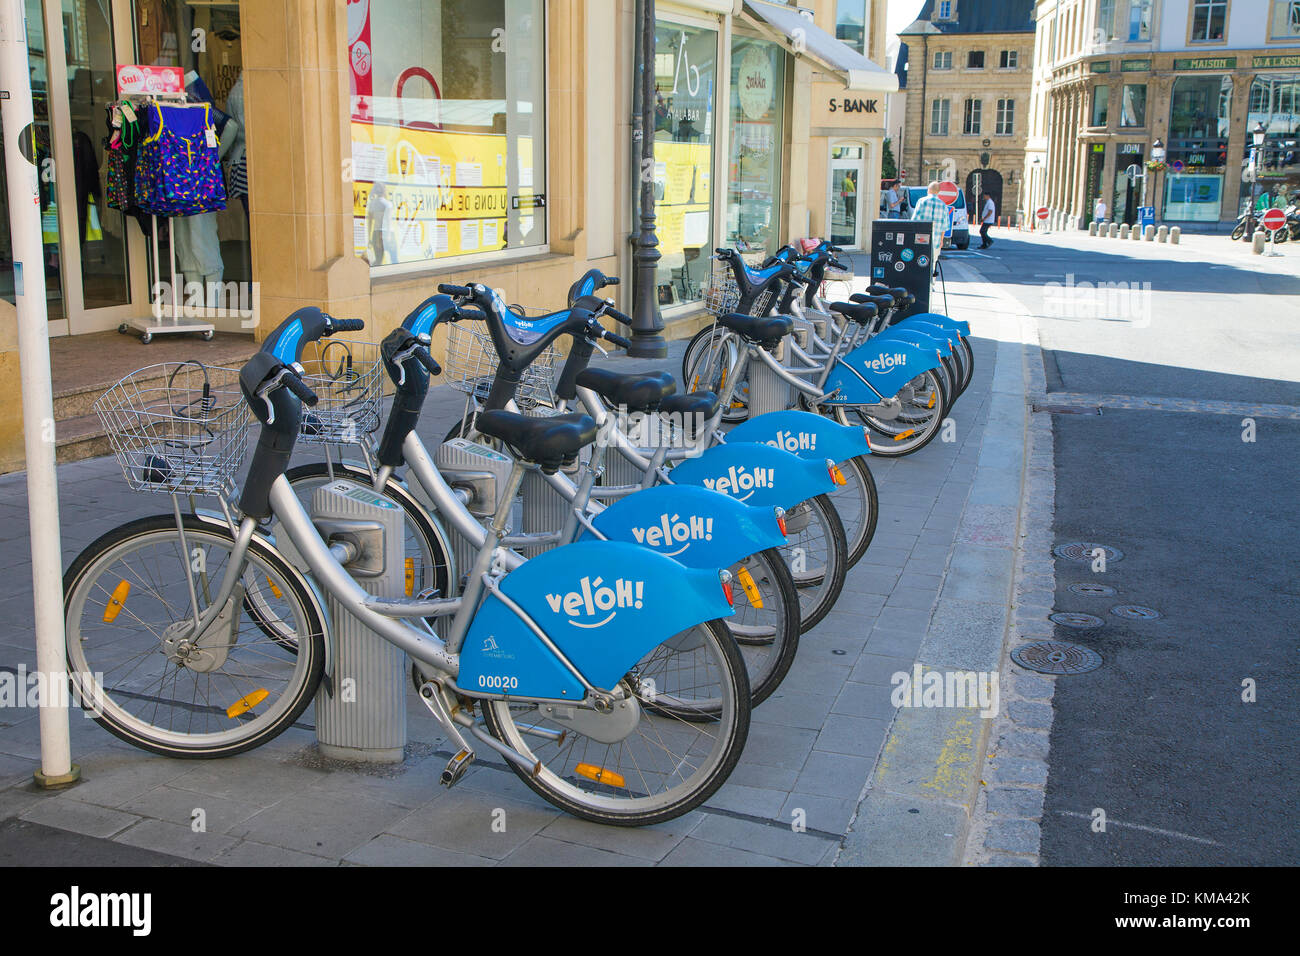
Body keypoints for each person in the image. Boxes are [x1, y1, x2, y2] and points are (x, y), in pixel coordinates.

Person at [912, 182, 951, 261]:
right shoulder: (943, 205)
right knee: (932, 263)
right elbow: (945, 226)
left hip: (920, 238)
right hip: (936, 240)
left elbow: (914, 220)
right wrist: (941, 240)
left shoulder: (922, 201)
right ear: (938, 191)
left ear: (928, 190)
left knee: (919, 261)